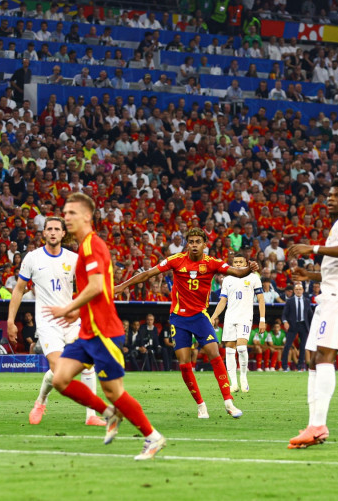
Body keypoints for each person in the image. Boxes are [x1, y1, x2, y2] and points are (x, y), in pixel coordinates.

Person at [43, 192, 166, 461]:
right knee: (60, 378)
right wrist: (79, 313)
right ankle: (109, 413)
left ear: (87, 216)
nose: (66, 218)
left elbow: (97, 286)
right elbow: (102, 288)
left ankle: (152, 437)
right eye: (65, 214)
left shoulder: (92, 245)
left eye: (71, 213)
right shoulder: (84, 247)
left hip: (104, 333)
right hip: (88, 331)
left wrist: (68, 308)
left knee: (115, 391)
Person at [116, 227, 257, 419]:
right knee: (184, 363)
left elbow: (236, 272)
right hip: (179, 318)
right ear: (187, 244)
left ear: (205, 245)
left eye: (198, 241)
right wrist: (122, 286)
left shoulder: (212, 263)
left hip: (200, 317)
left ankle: (229, 402)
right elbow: (148, 273)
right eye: (191, 241)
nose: (194, 245)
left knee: (215, 354)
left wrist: (249, 269)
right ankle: (201, 405)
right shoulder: (176, 260)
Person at [285, 179, 338, 449]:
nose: (331, 198)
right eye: (329, 195)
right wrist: (310, 275)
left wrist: (313, 248)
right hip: (329, 297)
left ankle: (318, 425)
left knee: (323, 356)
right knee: (310, 357)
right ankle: (313, 424)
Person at [6, 216, 105, 426]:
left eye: (56, 229)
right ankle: (41, 401)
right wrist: (10, 321)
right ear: (44, 233)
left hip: (71, 321)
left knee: (88, 363)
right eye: (48, 229)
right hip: (47, 323)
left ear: (62, 233)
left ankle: (91, 416)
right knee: (60, 370)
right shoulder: (32, 258)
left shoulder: (73, 259)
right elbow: (19, 289)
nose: (52, 232)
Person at [211, 252, 266, 392]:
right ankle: (233, 383)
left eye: (240, 262)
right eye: (235, 262)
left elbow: (260, 299)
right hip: (230, 317)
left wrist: (262, 320)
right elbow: (223, 301)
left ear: (246, 263)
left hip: (245, 317)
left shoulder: (254, 278)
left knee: (241, 347)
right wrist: (214, 315)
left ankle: (243, 376)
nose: (238, 265)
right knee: (229, 349)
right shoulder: (228, 279)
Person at [280, 282, 313, 371]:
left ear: (302, 290)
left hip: (303, 325)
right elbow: (284, 314)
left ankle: (300, 366)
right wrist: (285, 322)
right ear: (294, 291)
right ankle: (285, 366)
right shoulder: (290, 301)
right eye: (297, 289)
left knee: (303, 347)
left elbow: (310, 315)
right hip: (292, 325)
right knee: (287, 345)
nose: (298, 291)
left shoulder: (307, 301)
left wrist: (312, 326)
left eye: (300, 289)